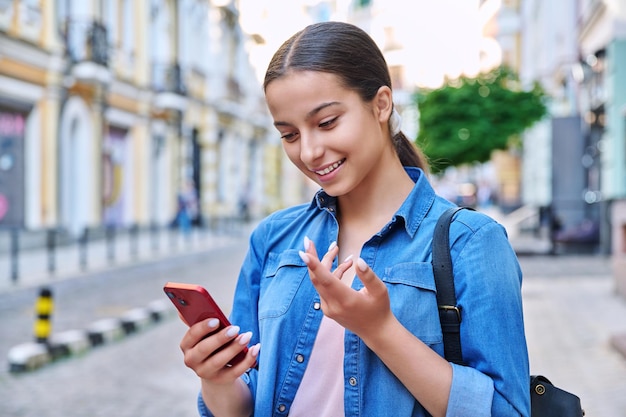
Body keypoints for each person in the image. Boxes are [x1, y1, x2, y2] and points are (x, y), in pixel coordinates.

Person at [179, 21, 529, 417]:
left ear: (381, 104)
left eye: (326, 122)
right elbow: (245, 401)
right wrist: (217, 377)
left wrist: (380, 329)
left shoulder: (471, 243)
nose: (309, 151)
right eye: (289, 135)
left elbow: (508, 411)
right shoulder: (273, 239)